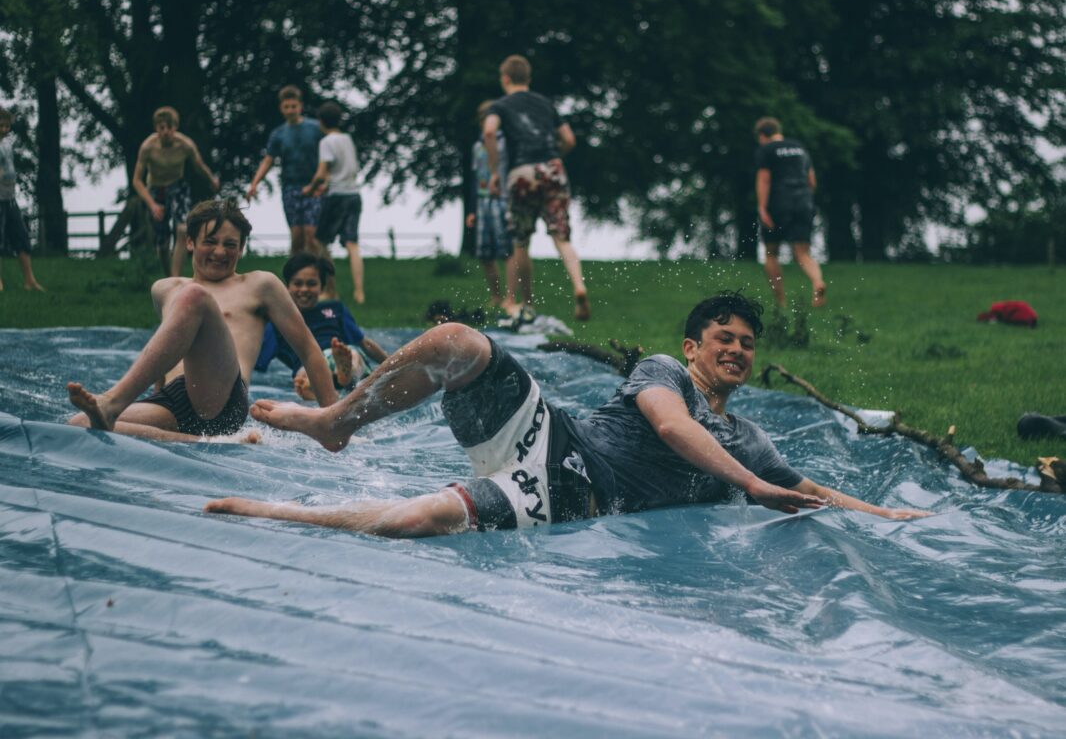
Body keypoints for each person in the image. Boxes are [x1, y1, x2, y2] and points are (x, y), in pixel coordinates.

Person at [205, 291, 930, 536]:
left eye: (747, 345)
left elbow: (806, 489)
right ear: (693, 346)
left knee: (417, 522)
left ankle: (277, 514)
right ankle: (338, 419)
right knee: (459, 340)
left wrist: (881, 515)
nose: (737, 352)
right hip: (553, 438)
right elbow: (672, 427)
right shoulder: (664, 371)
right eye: (724, 341)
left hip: (578, 494)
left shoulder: (751, 436)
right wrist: (756, 486)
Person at [67, 199, 338, 442]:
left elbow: (309, 350)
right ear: (190, 242)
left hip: (222, 400)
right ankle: (201, 441)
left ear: (242, 248)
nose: (220, 252)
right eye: (210, 241)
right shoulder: (164, 289)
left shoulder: (260, 285)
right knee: (79, 424)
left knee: (195, 296)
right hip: (173, 399)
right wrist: (155, 393)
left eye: (230, 245)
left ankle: (112, 402)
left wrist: (332, 422)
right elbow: (169, 348)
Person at [482, 55, 590, 322]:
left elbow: (488, 132)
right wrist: (556, 158)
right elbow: (569, 139)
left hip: (521, 171)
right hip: (552, 168)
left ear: (505, 79)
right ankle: (579, 286)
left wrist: (496, 172)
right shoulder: (545, 104)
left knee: (521, 241)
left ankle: (527, 303)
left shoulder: (501, 105)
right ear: (528, 78)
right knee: (562, 237)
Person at [256, 252, 388, 401]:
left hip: (337, 354)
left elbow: (363, 342)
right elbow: (256, 356)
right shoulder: (278, 322)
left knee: (352, 356)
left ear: (322, 287)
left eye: (311, 284)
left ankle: (340, 376)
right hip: (307, 367)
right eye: (298, 283)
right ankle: (320, 384)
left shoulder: (335, 309)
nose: (304, 289)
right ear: (287, 287)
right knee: (305, 372)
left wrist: (390, 362)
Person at [131, 106, 221, 277]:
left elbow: (199, 166)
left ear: (175, 127)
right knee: (162, 243)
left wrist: (211, 180)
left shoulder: (185, 145)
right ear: (156, 128)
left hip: (178, 187)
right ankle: (168, 279)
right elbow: (136, 181)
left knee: (181, 229)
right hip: (156, 191)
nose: (165, 132)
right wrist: (152, 205)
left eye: (169, 127)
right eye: (161, 128)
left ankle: (176, 277)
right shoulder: (148, 147)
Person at [754, 117, 826, 309]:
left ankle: (780, 302)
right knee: (803, 252)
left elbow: (764, 179)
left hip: (779, 201)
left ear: (762, 135)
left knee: (771, 252)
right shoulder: (799, 147)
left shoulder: (766, 150)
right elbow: (812, 180)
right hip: (803, 200)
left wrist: (762, 207)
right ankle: (817, 282)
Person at [246, 85, 324, 256]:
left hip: (314, 186)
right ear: (281, 108)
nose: (290, 110)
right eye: (286, 107)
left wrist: (325, 180)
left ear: (300, 106)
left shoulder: (316, 128)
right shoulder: (278, 134)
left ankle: (323, 274)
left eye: (293, 106)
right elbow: (268, 160)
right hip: (290, 187)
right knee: (297, 237)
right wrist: (254, 183)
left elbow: (328, 156)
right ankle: (294, 278)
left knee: (311, 236)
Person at [305, 101, 365, 304]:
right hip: (354, 194)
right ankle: (359, 292)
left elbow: (322, 172)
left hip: (337, 196)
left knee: (320, 242)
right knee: (352, 244)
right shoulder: (347, 139)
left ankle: (330, 289)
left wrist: (310, 188)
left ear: (321, 122)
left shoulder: (326, 142)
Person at [466, 100, 515, 310]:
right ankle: (496, 295)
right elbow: (475, 177)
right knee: (485, 253)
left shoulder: (508, 143)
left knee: (508, 250)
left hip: (503, 199)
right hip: (482, 200)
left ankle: (511, 298)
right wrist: (472, 208)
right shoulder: (477, 146)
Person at [0, 107, 45, 292]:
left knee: (22, 238)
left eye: (7, 126)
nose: (4, 129)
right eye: (1, 126)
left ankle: (29, 280)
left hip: (10, 199)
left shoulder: (7, 145)